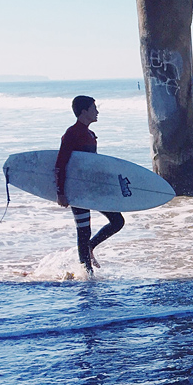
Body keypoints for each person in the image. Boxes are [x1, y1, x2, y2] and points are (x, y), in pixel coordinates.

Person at [55, 95, 124, 276]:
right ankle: (87, 274)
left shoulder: (89, 134)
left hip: (91, 189)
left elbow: (90, 165)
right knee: (83, 231)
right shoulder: (71, 134)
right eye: (94, 108)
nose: (97, 112)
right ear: (84, 111)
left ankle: (91, 247)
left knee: (117, 221)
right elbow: (60, 164)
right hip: (76, 191)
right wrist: (61, 192)